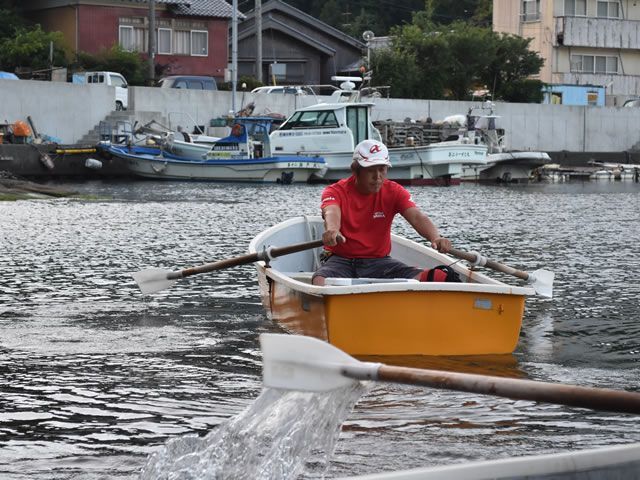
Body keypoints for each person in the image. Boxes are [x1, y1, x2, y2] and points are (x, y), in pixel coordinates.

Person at [312, 139, 452, 286]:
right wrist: (333, 230)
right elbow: (331, 212)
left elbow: (417, 217)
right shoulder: (335, 190)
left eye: (382, 169)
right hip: (340, 260)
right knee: (320, 281)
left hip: (379, 262)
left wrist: (436, 237)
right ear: (355, 170)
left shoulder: (394, 191)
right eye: (371, 170)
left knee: (441, 276)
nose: (377, 177)